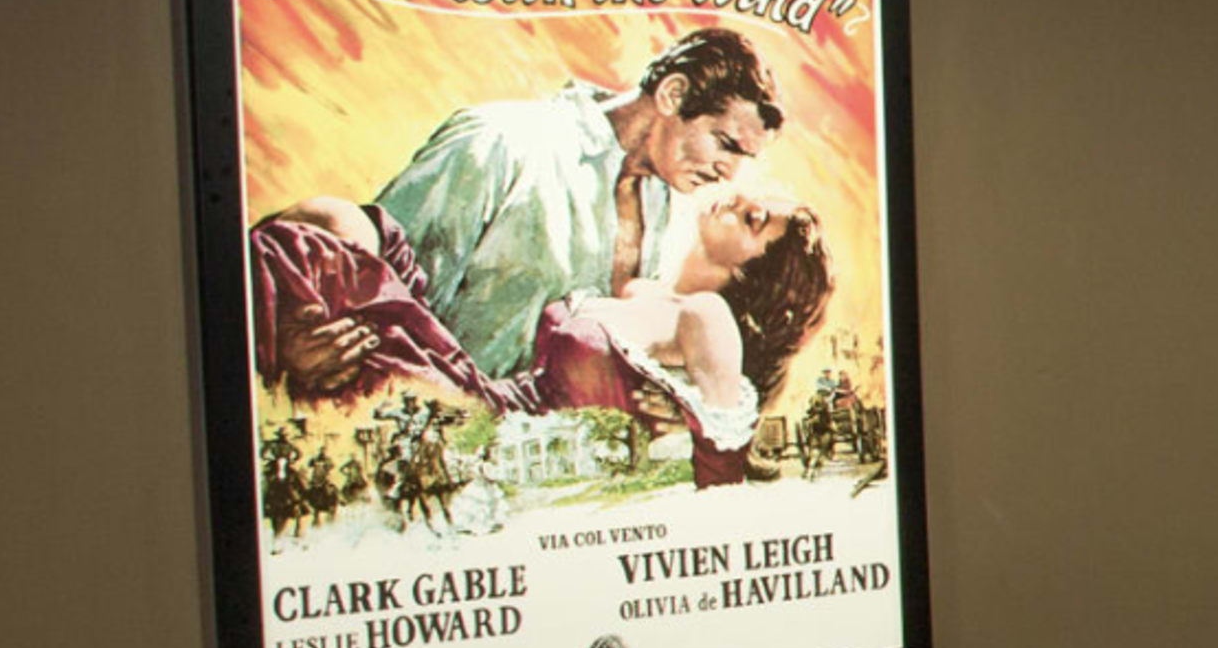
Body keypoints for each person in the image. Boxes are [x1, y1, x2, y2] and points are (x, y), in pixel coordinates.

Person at [279, 28, 788, 397]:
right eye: (726, 144)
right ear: (674, 94)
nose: (729, 173)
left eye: (744, 159)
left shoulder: (660, 202)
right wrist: (300, 349)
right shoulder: (502, 143)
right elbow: (370, 287)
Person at [247, 183, 830, 485]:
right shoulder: (647, 289)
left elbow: (721, 464)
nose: (744, 200)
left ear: (753, 275)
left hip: (483, 424)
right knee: (334, 221)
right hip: (482, 388)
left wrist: (688, 432)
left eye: (756, 220)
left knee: (312, 256)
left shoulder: (708, 316)